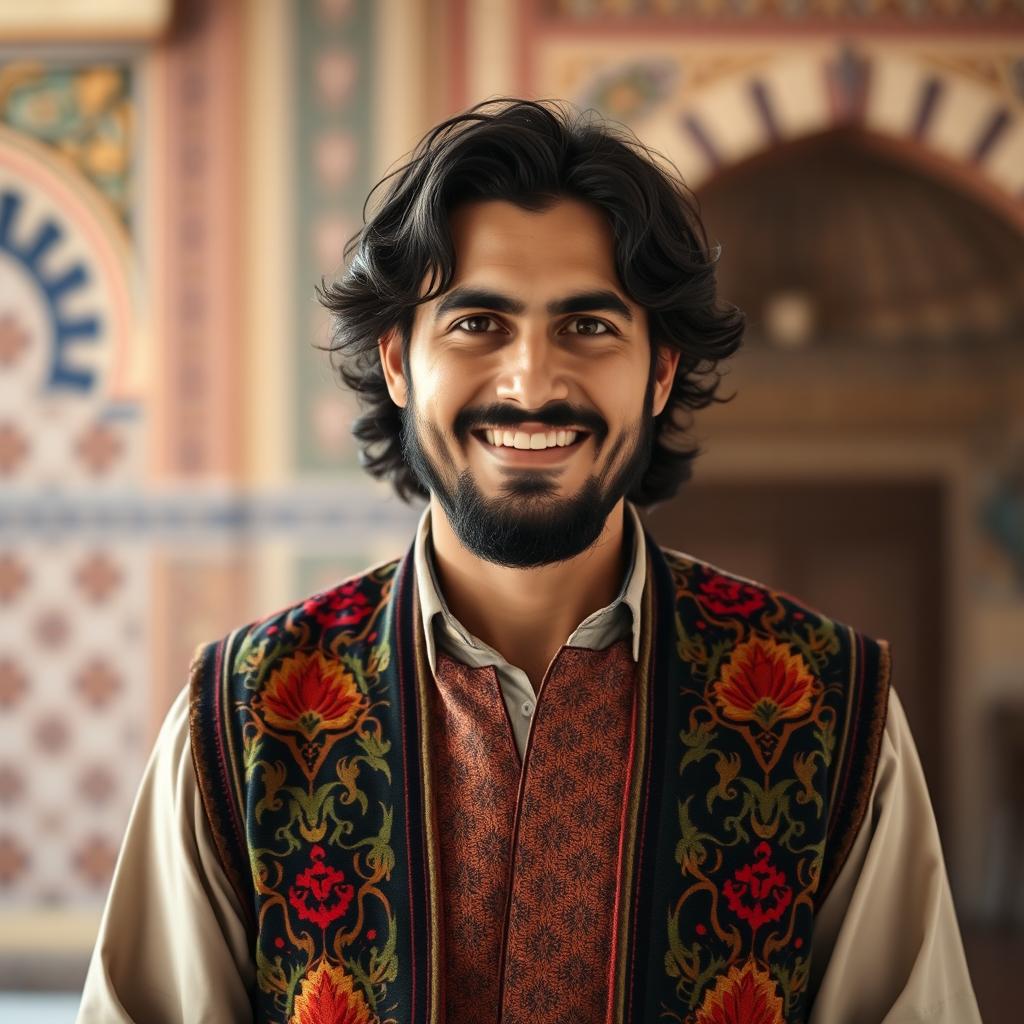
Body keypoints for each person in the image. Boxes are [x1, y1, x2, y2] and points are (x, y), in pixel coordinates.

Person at [78, 98, 981, 1024]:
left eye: (588, 327)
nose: (532, 381)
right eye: (478, 324)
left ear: (659, 372)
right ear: (398, 362)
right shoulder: (241, 722)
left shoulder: (829, 713)